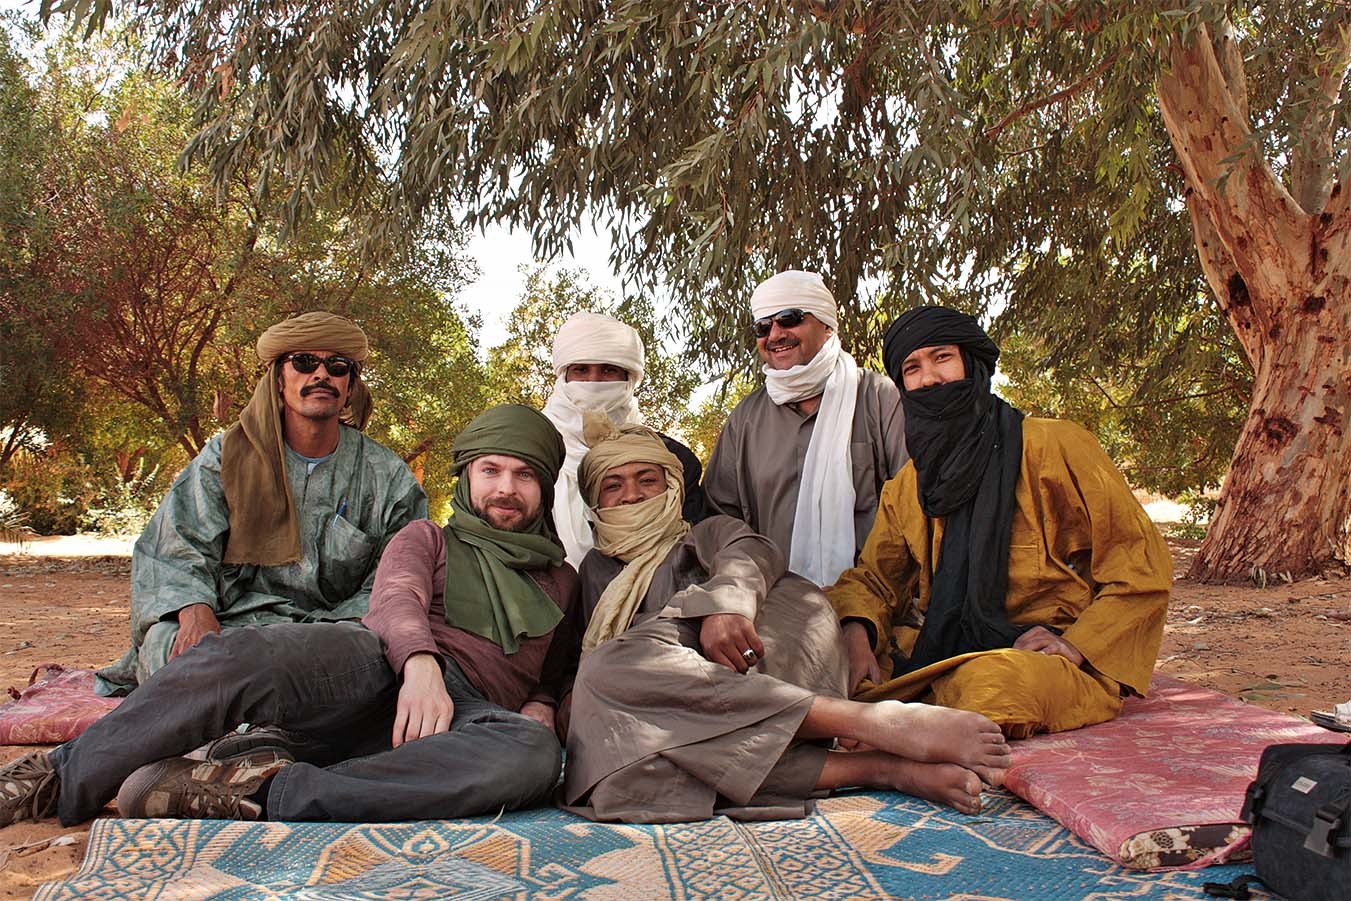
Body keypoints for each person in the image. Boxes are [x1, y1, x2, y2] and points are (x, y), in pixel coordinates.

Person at [0, 404, 579, 827]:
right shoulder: (427, 537)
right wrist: (421, 665)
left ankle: (258, 791)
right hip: (376, 665)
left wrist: (542, 702)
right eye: (491, 471)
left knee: (531, 757)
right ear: (468, 476)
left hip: (462, 715)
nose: (506, 488)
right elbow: (396, 598)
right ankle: (58, 777)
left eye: (524, 474)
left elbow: (556, 671)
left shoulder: (563, 581)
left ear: (545, 487)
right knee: (242, 655)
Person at [561, 418, 1010, 824]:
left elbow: (753, 550)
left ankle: (864, 721)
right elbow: (583, 663)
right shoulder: (595, 572)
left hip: (754, 660)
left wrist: (728, 604)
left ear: (672, 487)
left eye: (647, 480)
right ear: (595, 500)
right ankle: (882, 768)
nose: (632, 495)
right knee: (616, 769)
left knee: (606, 671)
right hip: (679, 702)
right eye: (613, 486)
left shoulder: (702, 533)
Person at [827, 307, 1171, 739]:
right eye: (912, 368)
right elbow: (875, 580)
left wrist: (1077, 644)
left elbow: (1139, 566)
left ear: (973, 365)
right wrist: (856, 634)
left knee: (991, 687)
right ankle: (907, 718)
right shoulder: (909, 486)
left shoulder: (1056, 446)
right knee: (824, 662)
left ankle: (900, 723)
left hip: (1044, 658)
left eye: (942, 358)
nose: (929, 379)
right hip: (943, 648)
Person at [96, 311, 427, 694]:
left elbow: (398, 576)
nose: (321, 374)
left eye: (337, 366)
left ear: (350, 385)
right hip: (229, 624)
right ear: (278, 379)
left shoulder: (386, 475)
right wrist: (195, 610)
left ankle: (241, 715)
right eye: (304, 362)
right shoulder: (225, 457)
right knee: (166, 641)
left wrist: (341, 629)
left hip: (329, 633)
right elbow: (175, 548)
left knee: (373, 655)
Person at [703, 271, 907, 588]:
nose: (775, 334)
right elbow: (720, 517)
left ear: (827, 325)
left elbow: (911, 505)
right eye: (763, 327)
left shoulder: (879, 398)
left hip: (876, 600)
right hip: (775, 603)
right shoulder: (746, 418)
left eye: (789, 318)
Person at [543, 310, 707, 567]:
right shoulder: (532, 455)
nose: (593, 382)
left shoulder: (672, 460)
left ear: (628, 379)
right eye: (581, 370)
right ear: (564, 377)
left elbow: (691, 553)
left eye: (608, 370)